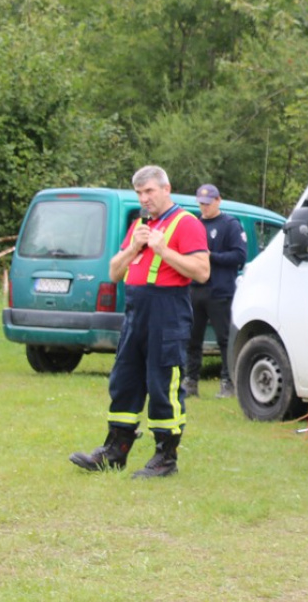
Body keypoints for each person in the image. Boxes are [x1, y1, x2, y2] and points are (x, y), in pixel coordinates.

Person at [70, 165, 210, 479]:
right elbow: (114, 272)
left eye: (149, 191)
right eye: (139, 193)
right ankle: (115, 450)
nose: (144, 198)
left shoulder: (186, 223)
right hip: (136, 310)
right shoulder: (139, 225)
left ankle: (165, 458)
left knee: (163, 385)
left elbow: (202, 271)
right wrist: (135, 245)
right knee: (125, 380)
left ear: (166, 188)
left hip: (167, 310)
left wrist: (162, 249)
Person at [183, 183, 247, 399]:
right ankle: (191, 380)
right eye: (201, 204)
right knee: (192, 338)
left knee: (225, 339)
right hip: (196, 290)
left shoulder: (230, 224)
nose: (204, 208)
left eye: (208, 204)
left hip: (220, 291)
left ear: (218, 201)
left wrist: (211, 256)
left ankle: (228, 381)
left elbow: (239, 256)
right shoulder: (195, 224)